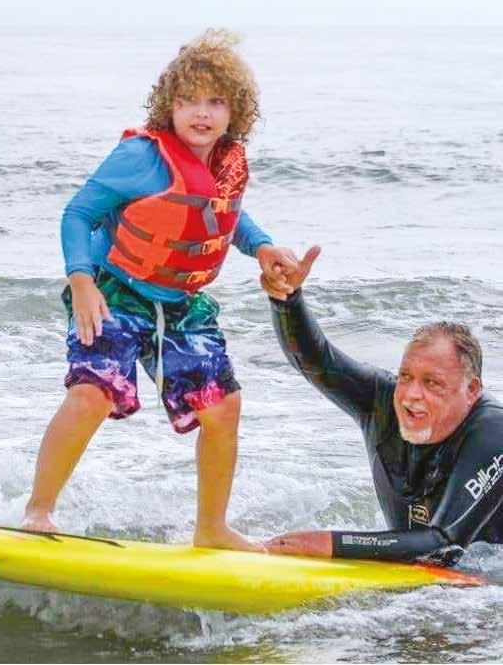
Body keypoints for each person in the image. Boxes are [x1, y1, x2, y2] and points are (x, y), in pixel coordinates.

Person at [22, 29, 298, 552]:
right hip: (114, 290)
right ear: (168, 106)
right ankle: (39, 510)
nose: (201, 113)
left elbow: (224, 218)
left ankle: (211, 529)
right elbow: (78, 213)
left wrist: (263, 247)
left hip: (180, 303)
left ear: (235, 112)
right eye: (188, 100)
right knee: (92, 392)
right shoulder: (139, 157)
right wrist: (81, 280)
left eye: (215, 101)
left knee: (223, 408)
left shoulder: (225, 165)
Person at [263, 248, 503, 564]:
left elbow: (445, 544)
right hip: (421, 567)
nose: (411, 395)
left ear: (471, 390)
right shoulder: (381, 403)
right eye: (405, 377)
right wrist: (286, 300)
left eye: (432, 383)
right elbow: (316, 361)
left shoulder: (493, 432)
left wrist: (332, 544)